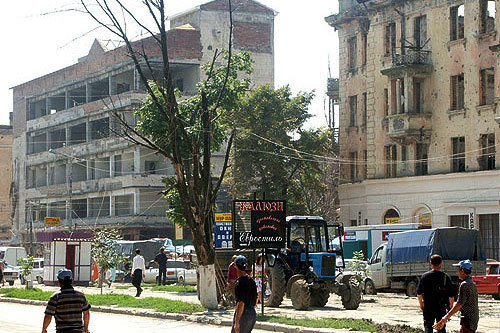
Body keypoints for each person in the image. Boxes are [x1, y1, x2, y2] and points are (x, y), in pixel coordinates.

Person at [434, 260, 479, 333]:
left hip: (468, 320)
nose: (457, 273)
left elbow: (459, 304)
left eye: (458, 270)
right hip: (472, 319)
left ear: (462, 271)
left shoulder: (464, 285)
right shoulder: (471, 283)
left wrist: (446, 317)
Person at [42, 269, 91, 333]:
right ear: (71, 280)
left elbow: (48, 316)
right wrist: (86, 329)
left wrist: (44, 329)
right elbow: (86, 313)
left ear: (59, 282)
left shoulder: (55, 297)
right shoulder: (80, 296)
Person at [416, 254, 455, 333]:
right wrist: (450, 308)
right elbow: (451, 296)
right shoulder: (445, 277)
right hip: (441, 307)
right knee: (441, 328)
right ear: (441, 263)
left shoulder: (424, 276)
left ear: (431, 263)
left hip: (428, 306)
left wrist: (421, 305)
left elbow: (419, 293)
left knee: (428, 327)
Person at [231, 255, 257, 333]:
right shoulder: (251, 280)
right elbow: (256, 299)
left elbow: (241, 303)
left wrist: (237, 322)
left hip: (243, 315)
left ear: (235, 266)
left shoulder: (240, 283)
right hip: (252, 313)